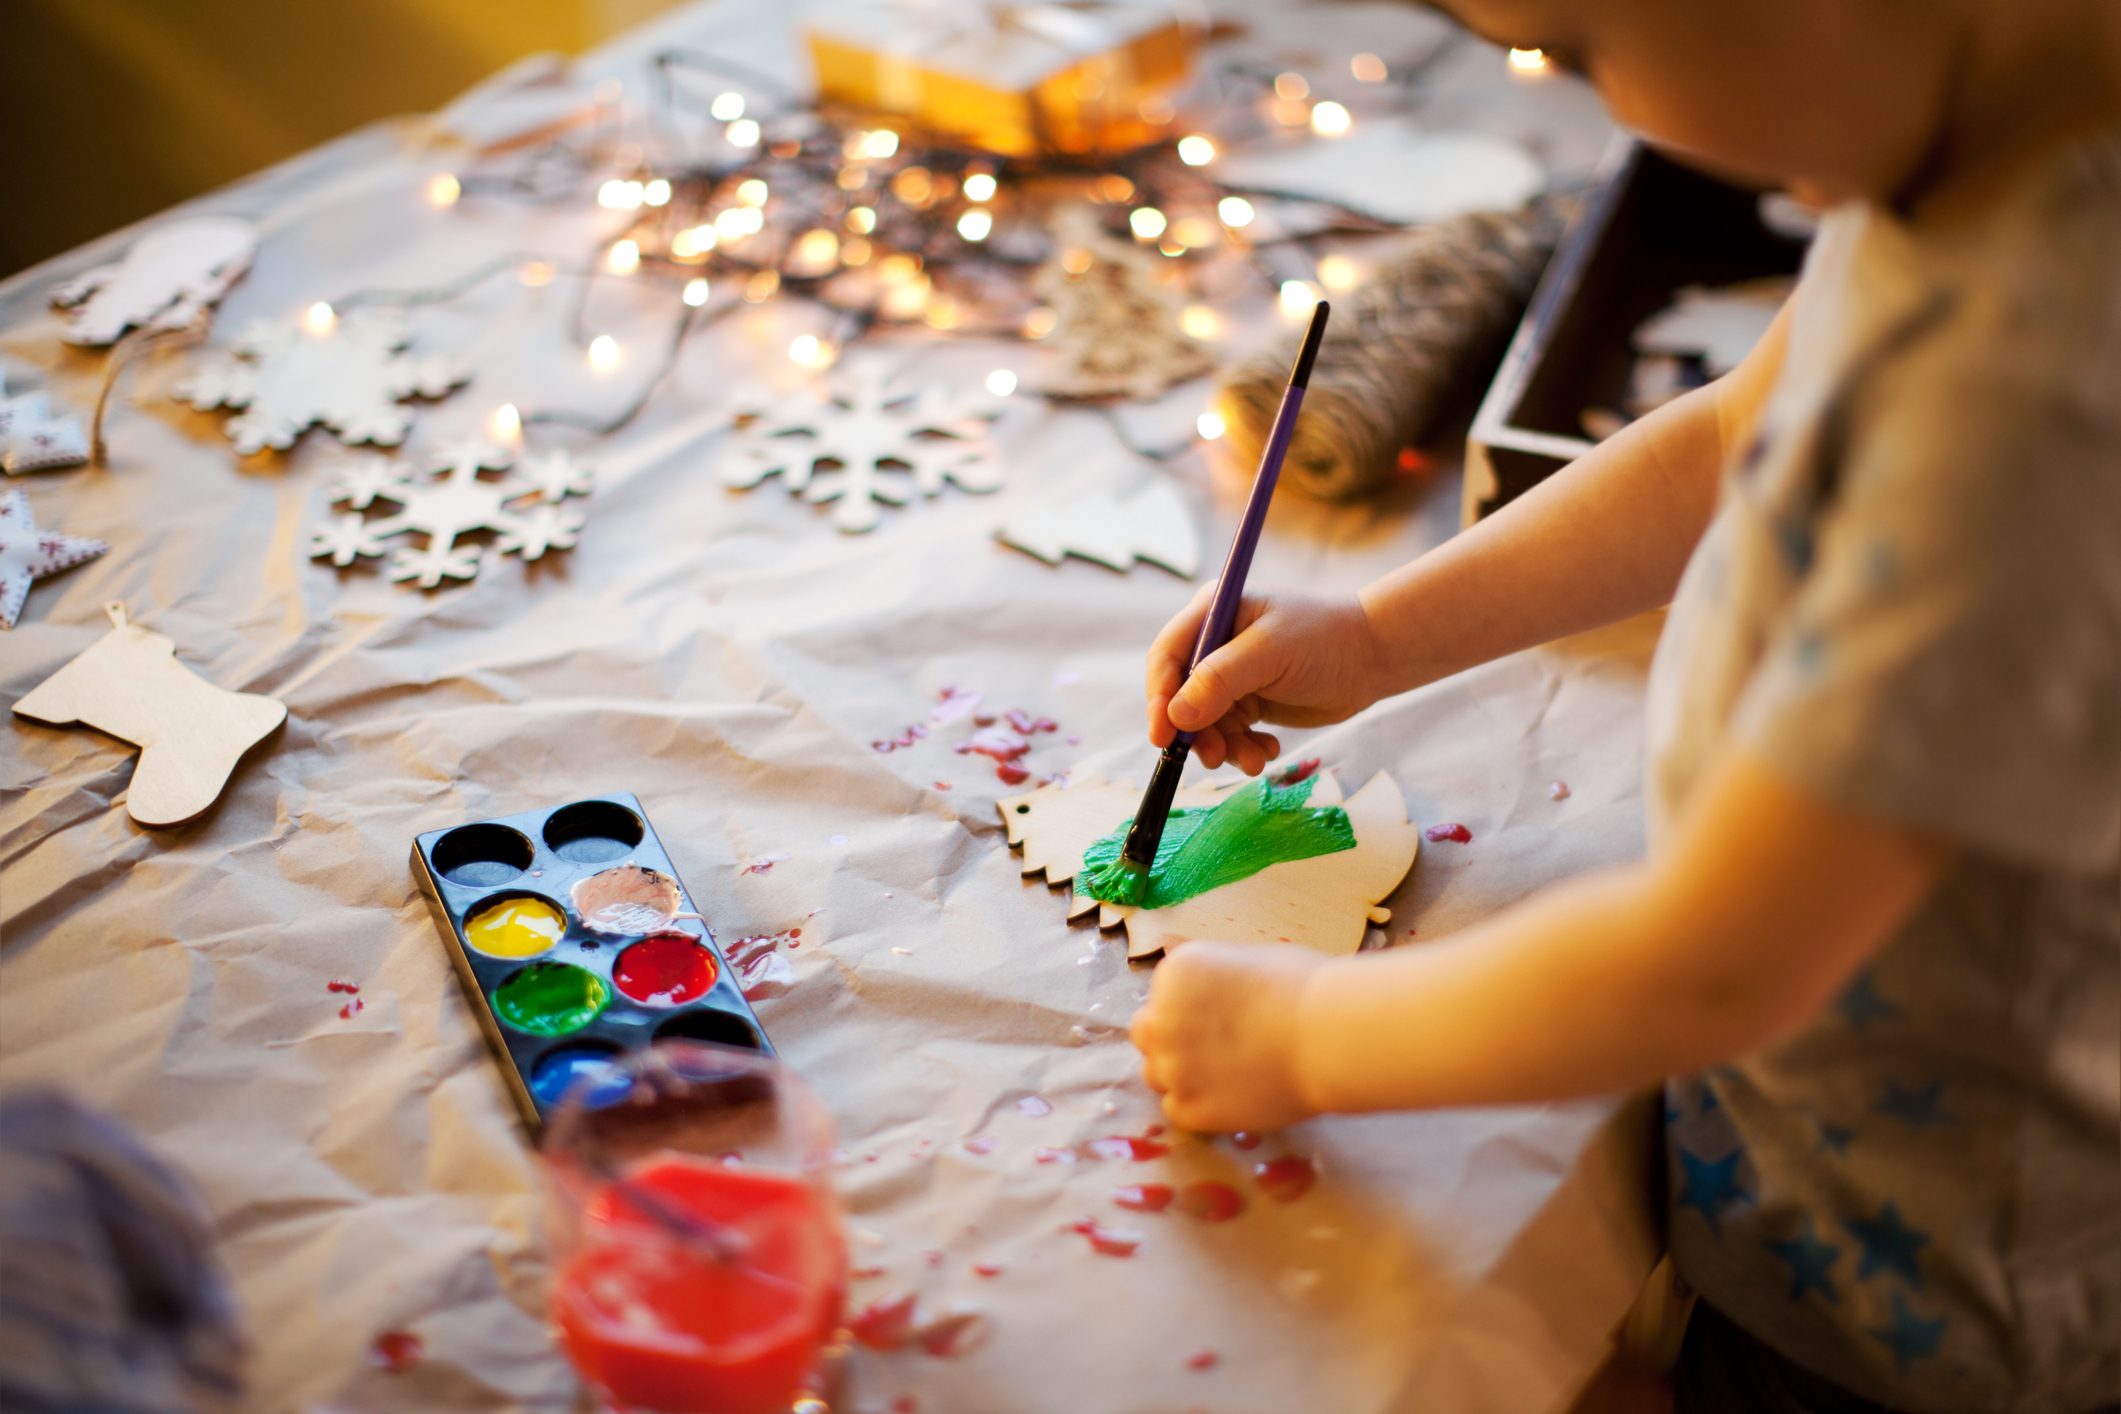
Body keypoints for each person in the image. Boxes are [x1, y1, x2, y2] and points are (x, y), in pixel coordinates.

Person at [1127, 2, 2121, 1409]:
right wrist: (1377, 632)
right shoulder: (1961, 158)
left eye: (1574, 49)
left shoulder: (2021, 397)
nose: (1608, 117)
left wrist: (1294, 1041)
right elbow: (1729, 437)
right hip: (1816, 1144)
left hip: (1930, 1294)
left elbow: (1718, 962)